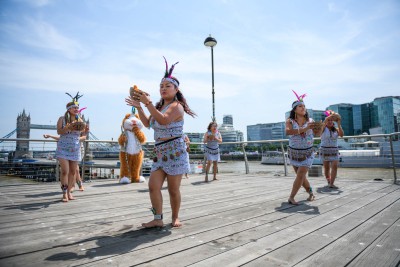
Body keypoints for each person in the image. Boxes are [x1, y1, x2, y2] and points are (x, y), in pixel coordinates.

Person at [125, 57, 196, 228]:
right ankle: (158, 218)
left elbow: (164, 121)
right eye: (161, 86)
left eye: (167, 86)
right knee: (153, 186)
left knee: (173, 189)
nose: (163, 89)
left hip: (175, 150)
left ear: (176, 89)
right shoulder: (158, 106)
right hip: (160, 152)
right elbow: (149, 124)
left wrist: (147, 103)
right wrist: (141, 107)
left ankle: (175, 217)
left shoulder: (176, 106)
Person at [55, 92, 87, 202]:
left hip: (75, 148)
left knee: (73, 172)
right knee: (65, 171)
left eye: (77, 107)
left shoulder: (80, 120)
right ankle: (64, 193)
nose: (76, 109)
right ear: (69, 109)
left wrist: (84, 131)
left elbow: (83, 135)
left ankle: (69, 192)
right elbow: (59, 131)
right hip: (63, 148)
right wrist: (67, 128)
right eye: (73, 107)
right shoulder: (61, 119)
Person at [285, 90, 316, 205]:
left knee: (301, 174)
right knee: (301, 177)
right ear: (295, 110)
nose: (303, 108)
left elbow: (317, 134)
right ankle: (311, 193)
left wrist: (320, 127)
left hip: (308, 152)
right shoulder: (290, 121)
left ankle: (291, 197)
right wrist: (304, 129)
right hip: (294, 153)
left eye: (304, 106)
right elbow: (288, 132)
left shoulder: (311, 121)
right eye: (300, 106)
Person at [318, 111, 344, 189]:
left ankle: (332, 183)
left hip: (334, 150)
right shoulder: (322, 128)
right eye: (328, 121)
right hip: (325, 150)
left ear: (333, 122)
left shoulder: (336, 129)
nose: (329, 122)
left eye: (331, 121)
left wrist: (339, 123)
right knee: (326, 168)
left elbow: (342, 135)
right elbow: (319, 130)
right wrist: (329, 117)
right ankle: (329, 180)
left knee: (335, 166)